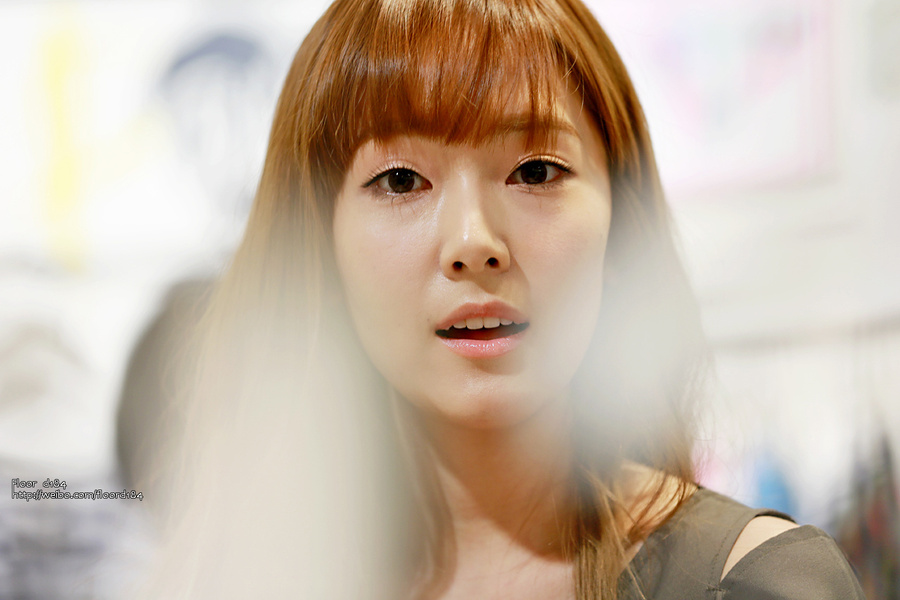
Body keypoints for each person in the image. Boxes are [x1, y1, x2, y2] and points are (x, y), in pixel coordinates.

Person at [140, 1, 866, 598]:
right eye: (400, 181)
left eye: (536, 171)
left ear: (620, 226)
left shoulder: (754, 583)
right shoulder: (234, 579)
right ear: (319, 247)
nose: (473, 241)